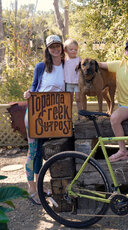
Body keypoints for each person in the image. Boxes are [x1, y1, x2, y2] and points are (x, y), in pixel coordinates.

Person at [23, 34, 65, 205]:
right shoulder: (41, 67)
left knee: (42, 151)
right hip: (36, 112)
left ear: (61, 47)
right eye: (51, 46)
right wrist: (28, 93)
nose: (55, 49)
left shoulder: (67, 67)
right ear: (47, 49)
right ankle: (32, 190)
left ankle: (40, 187)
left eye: (57, 45)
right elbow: (34, 87)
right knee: (33, 152)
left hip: (53, 116)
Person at [99, 40, 128, 164]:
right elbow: (99, 64)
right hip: (125, 105)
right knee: (114, 118)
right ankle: (123, 151)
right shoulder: (119, 64)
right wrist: (77, 61)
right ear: (125, 52)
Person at [64, 39, 81, 112]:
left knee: (78, 98)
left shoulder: (79, 59)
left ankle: (80, 115)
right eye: (71, 49)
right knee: (69, 99)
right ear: (65, 50)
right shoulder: (64, 60)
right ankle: (68, 115)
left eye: (75, 49)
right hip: (68, 83)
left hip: (77, 83)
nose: (73, 51)